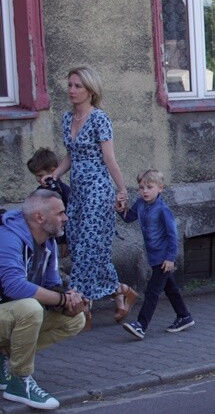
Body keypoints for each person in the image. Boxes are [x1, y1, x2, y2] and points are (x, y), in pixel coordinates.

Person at [47, 66, 137, 323]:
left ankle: (77, 306)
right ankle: (121, 291)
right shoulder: (67, 118)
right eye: (70, 85)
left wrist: (121, 190)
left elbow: (109, 158)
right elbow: (70, 155)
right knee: (80, 246)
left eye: (78, 86)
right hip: (78, 193)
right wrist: (56, 175)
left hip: (98, 192)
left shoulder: (99, 119)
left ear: (91, 90)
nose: (72, 90)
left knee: (88, 246)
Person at [0, 190, 88, 410]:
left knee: (75, 320)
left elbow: (51, 286)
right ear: (40, 217)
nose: (65, 218)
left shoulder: (48, 243)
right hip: (8, 312)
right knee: (30, 309)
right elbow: (13, 285)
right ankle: (19, 380)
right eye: (60, 213)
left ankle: (5, 356)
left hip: (7, 317)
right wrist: (60, 299)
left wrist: (71, 302)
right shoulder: (8, 236)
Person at [116, 170, 193, 340]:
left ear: (160, 188)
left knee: (152, 291)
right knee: (171, 289)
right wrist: (121, 209)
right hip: (154, 258)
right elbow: (129, 218)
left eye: (149, 187)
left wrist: (171, 258)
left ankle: (141, 325)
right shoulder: (141, 204)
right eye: (141, 187)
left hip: (163, 259)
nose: (144, 191)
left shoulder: (163, 210)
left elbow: (173, 235)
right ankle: (184, 316)